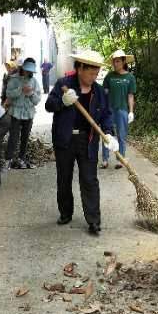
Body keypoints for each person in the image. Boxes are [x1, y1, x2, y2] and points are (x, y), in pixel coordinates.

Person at [45, 50, 119, 235]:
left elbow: (106, 115)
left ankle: (94, 220)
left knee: (89, 180)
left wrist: (109, 134)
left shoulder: (99, 91)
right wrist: (63, 101)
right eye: (91, 73)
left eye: (96, 74)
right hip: (65, 138)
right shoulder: (64, 84)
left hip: (88, 139)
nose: (94, 77)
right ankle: (65, 213)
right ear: (80, 69)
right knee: (64, 177)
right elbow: (49, 105)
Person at [101, 50, 137, 169]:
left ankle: (120, 159)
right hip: (109, 110)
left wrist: (131, 111)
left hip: (122, 110)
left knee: (121, 135)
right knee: (106, 134)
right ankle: (105, 159)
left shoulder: (130, 77)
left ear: (123, 61)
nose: (115, 64)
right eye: (114, 61)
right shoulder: (109, 76)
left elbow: (130, 95)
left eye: (117, 61)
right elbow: (104, 92)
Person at [5, 57, 41, 169]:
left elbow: (37, 101)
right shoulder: (14, 79)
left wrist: (30, 93)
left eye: (31, 71)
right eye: (27, 70)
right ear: (23, 68)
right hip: (16, 112)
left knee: (25, 138)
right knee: (13, 137)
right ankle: (8, 160)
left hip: (29, 114)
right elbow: (8, 94)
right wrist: (20, 90)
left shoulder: (34, 82)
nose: (29, 73)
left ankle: (21, 159)